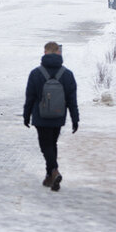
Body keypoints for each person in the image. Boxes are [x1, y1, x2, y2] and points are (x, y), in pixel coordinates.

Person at [23, 41, 79, 191]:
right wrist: (75, 119)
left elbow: (30, 96)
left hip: (41, 117)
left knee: (45, 146)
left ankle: (54, 170)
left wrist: (26, 115)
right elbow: (72, 99)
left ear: (45, 52)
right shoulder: (67, 74)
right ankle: (50, 176)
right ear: (58, 53)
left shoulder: (36, 73)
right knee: (52, 144)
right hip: (58, 116)